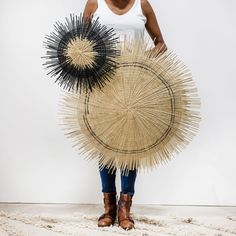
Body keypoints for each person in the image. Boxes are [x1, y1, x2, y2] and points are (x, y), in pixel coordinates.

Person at [83, 0, 167, 230]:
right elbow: (80, 44)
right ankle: (109, 208)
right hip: (102, 84)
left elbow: (161, 44)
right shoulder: (94, 4)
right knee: (105, 144)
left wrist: (139, 60)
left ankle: (124, 209)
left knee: (130, 146)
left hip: (134, 85)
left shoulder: (143, 5)